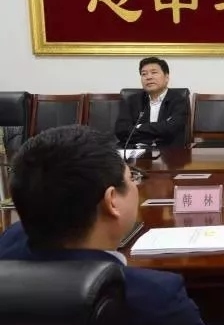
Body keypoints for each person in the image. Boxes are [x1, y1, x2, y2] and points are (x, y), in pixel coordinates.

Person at [0, 125, 205, 325]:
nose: (135, 184)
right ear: (112, 201)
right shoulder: (158, 298)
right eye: (131, 177)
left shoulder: (8, 242)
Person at [114, 57, 189, 148]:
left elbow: (171, 128)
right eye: (144, 74)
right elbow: (121, 130)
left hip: (168, 153)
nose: (149, 77)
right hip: (136, 152)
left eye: (154, 72)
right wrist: (157, 133)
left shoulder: (178, 100)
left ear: (166, 77)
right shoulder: (132, 100)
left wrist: (139, 127)